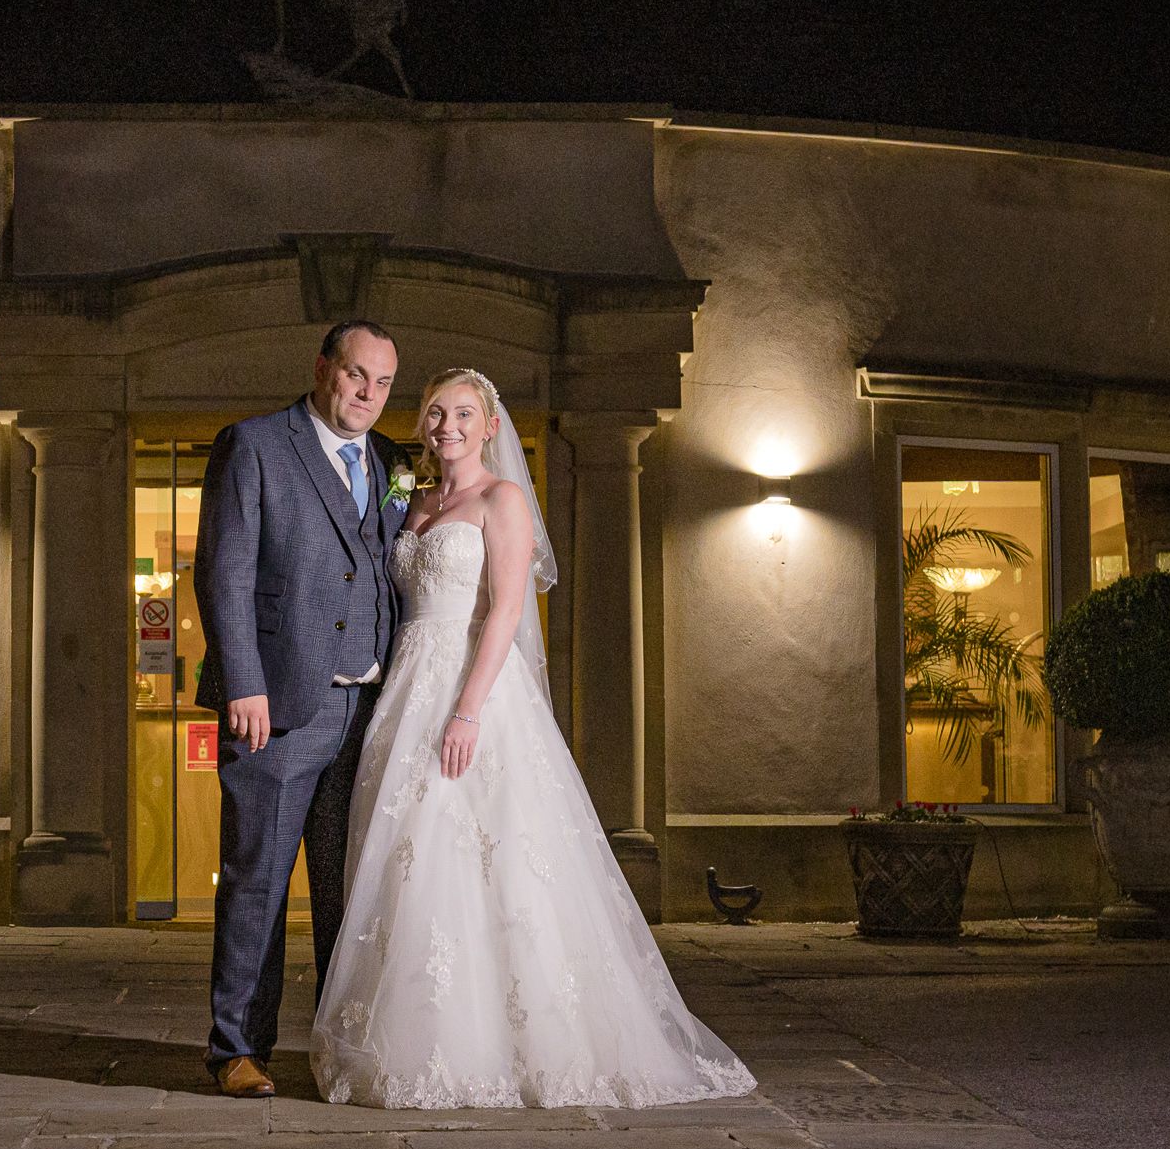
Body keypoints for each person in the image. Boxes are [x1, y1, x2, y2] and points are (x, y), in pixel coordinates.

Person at [311, 368, 757, 1109]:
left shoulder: (503, 500)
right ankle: (411, 1039)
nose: (444, 425)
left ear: (489, 426)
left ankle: (508, 1044)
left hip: (470, 689)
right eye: (433, 413)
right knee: (410, 860)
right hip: (404, 694)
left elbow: (506, 610)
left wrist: (467, 711)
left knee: (486, 855)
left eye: (461, 414)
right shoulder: (412, 502)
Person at [193, 319, 413, 1098]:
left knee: (344, 887)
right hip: (280, 705)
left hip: (370, 710)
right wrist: (242, 681)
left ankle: (334, 1044)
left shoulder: (392, 462)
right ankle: (237, 1050)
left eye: (383, 383)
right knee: (257, 879)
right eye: (356, 375)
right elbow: (223, 572)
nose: (367, 394)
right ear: (323, 368)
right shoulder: (254, 445)